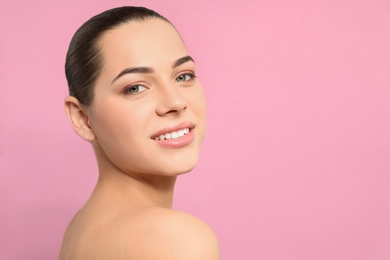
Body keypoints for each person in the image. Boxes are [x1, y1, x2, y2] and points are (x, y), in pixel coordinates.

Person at [59, 6, 220, 259]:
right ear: (82, 118)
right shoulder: (175, 240)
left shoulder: (81, 227)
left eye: (183, 75)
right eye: (135, 88)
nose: (175, 102)